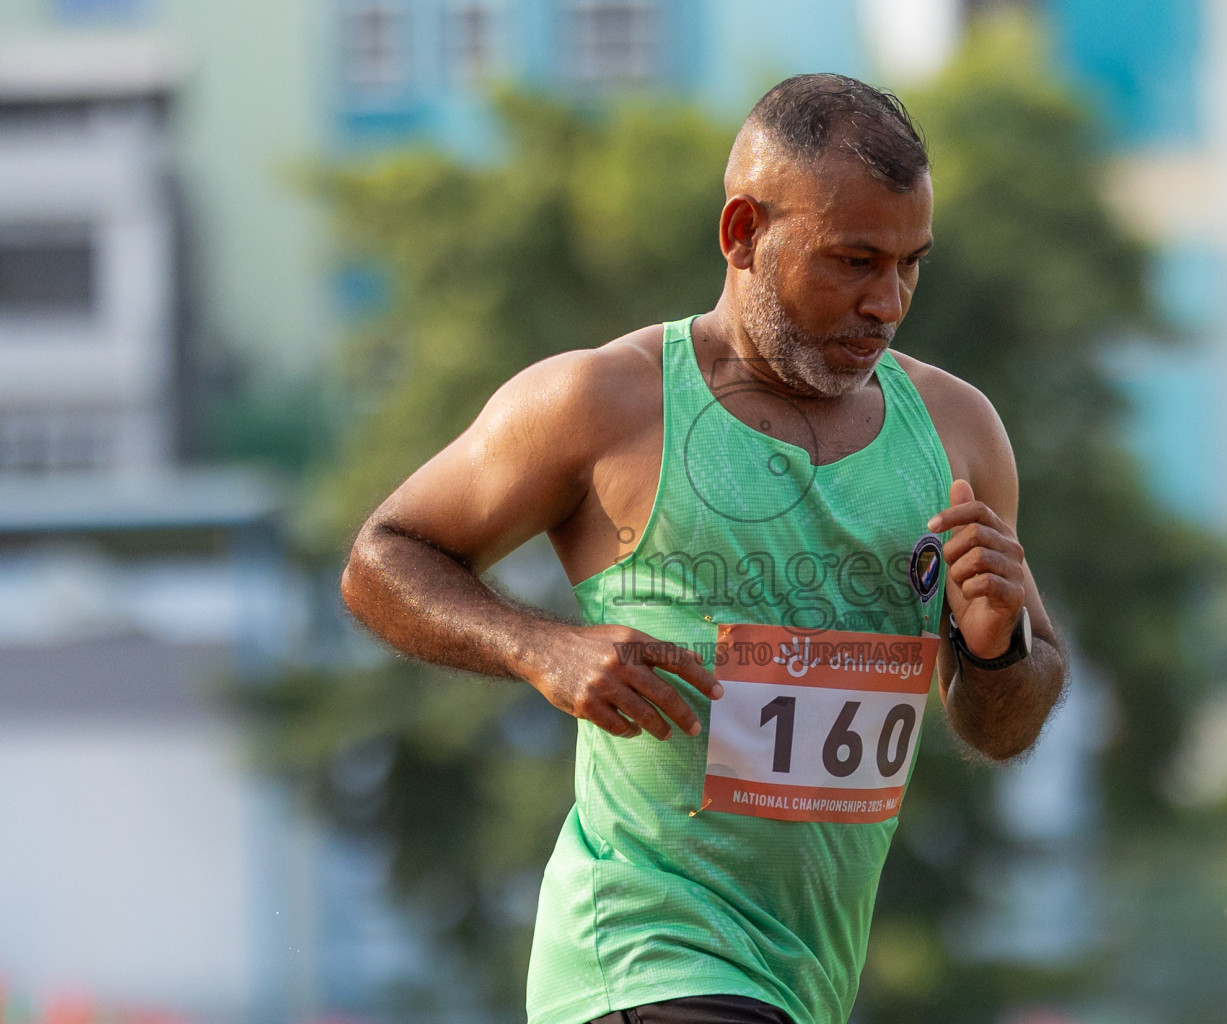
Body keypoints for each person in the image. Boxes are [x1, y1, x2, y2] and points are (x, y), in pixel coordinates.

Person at [341, 73, 1067, 1024]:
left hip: (802, 986)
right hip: (644, 961)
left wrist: (994, 646)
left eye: (909, 264)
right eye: (851, 261)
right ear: (742, 234)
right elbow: (382, 557)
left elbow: (1000, 723)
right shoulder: (607, 401)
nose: (887, 302)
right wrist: (540, 648)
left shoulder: (958, 432)